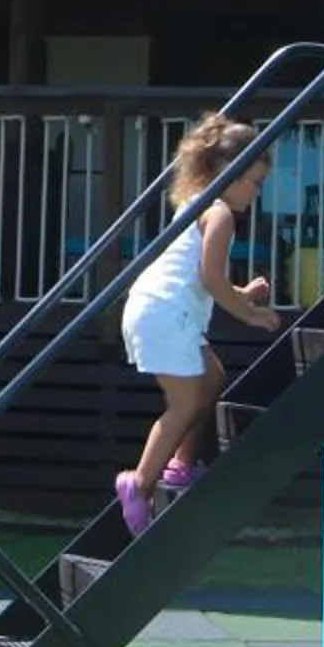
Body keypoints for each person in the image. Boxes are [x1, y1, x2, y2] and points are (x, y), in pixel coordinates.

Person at [115, 112, 281, 535]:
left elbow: (200, 275)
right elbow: (209, 278)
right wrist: (249, 313)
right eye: (255, 182)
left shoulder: (199, 206)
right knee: (185, 402)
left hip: (160, 308)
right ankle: (139, 485)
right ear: (229, 170)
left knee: (212, 378)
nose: (257, 192)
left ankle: (180, 465)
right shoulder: (219, 214)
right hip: (164, 313)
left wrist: (241, 293)